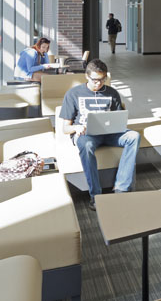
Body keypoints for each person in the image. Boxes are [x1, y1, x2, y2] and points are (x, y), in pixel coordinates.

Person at [59, 59, 140, 210]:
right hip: (86, 135)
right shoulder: (73, 94)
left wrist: (119, 125)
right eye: (95, 80)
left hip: (109, 134)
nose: (99, 83)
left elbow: (118, 119)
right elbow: (65, 128)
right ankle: (95, 195)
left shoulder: (112, 93)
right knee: (87, 144)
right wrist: (76, 128)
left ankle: (122, 188)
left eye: (102, 79)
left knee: (134, 137)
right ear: (86, 76)